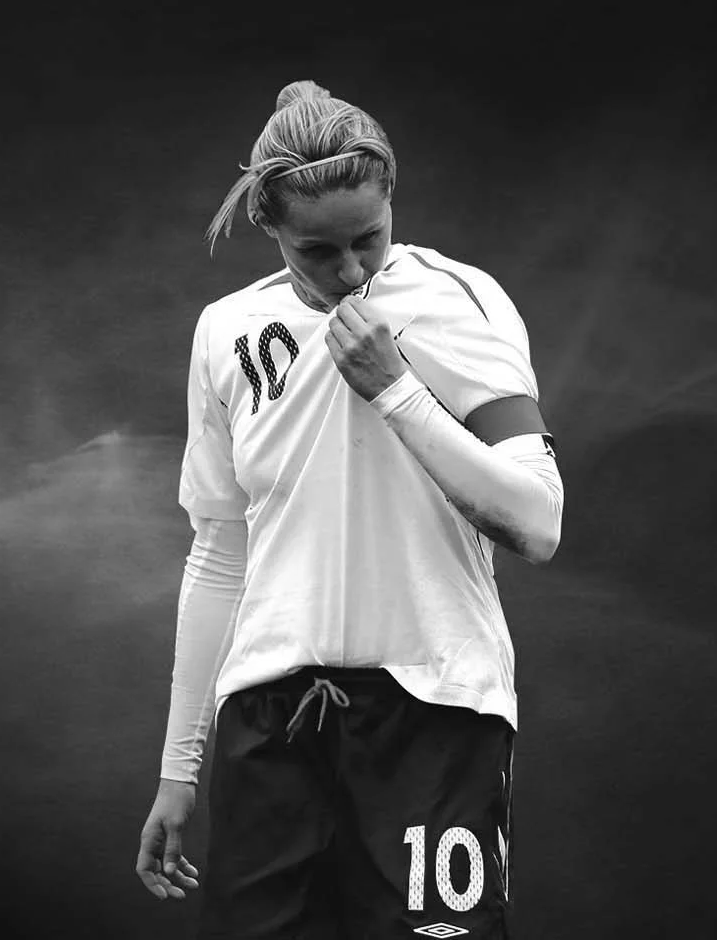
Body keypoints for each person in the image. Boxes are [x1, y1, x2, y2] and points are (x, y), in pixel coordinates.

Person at [134, 79, 565, 938]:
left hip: (431, 710)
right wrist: (179, 769)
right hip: (269, 722)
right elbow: (220, 552)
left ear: (393, 201)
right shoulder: (227, 331)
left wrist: (396, 389)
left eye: (369, 239)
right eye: (318, 252)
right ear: (272, 231)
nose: (352, 271)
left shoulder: (457, 300)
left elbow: (538, 522)